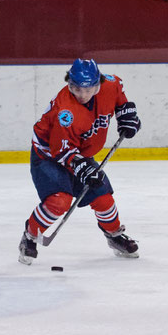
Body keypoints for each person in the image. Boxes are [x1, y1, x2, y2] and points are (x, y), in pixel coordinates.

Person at [18, 58, 142, 265]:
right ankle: (29, 237)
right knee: (59, 202)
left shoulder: (111, 85)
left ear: (99, 83)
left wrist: (126, 116)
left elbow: (120, 98)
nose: (82, 95)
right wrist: (81, 167)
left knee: (103, 198)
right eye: (76, 88)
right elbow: (61, 151)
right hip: (49, 156)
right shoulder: (65, 111)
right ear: (69, 84)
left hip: (80, 155)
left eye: (89, 89)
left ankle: (114, 236)